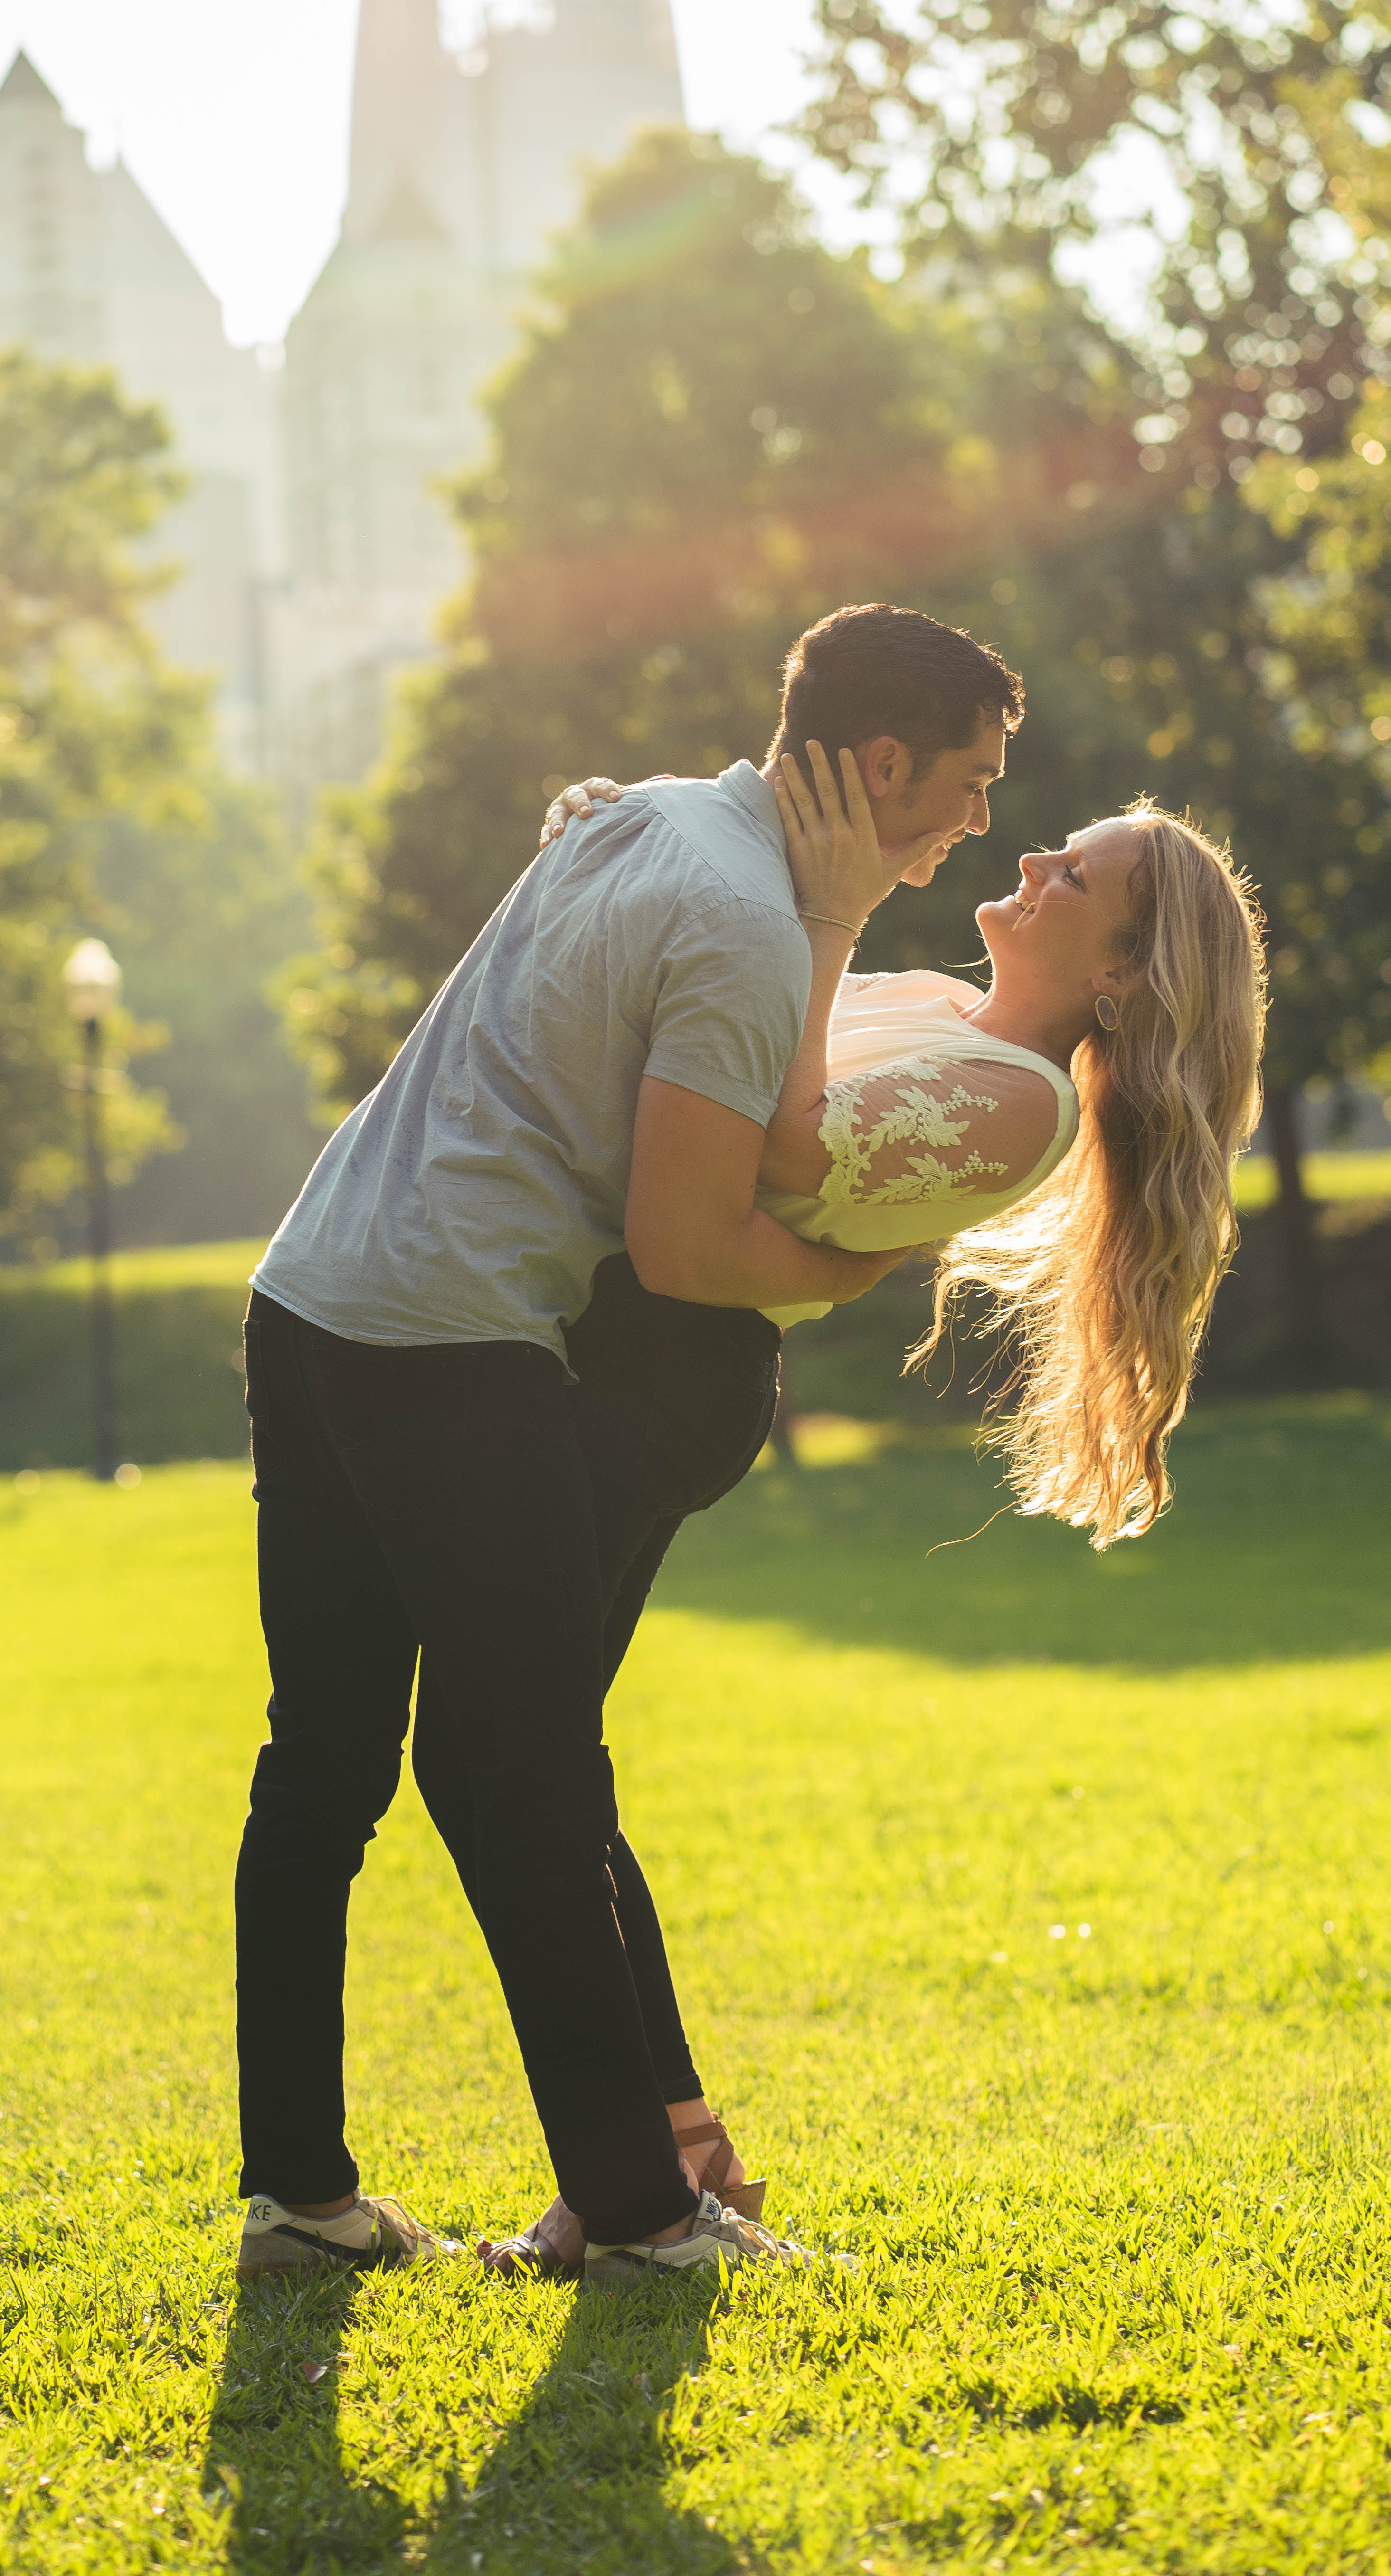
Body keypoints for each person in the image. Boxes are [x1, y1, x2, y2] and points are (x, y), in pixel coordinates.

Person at [230, 604, 1023, 2289]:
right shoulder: (742, 921)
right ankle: (654, 2223)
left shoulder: (648, 813)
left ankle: (298, 2198)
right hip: (446, 1344)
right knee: (525, 1778)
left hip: (307, 1299)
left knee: (323, 1770)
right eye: (966, 785)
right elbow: (685, 1248)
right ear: (879, 764)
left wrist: (831, 921)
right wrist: (851, 1269)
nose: (976, 823)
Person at [475, 746, 1267, 2276]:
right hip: (610, 1343)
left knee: (524, 1761)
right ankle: (671, 2161)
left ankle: (651, 2186)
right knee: (537, 1759)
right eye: (1052, 850)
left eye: (1074, 879)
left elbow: (783, 1140)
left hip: (655, 1384)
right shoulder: (941, 1003)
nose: (1033, 867)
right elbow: (706, 1020)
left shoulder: (1014, 1095)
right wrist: (620, 842)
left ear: (1118, 978)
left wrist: (826, 918)